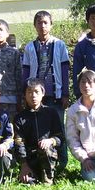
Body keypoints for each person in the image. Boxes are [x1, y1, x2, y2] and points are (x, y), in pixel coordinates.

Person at [22, 10, 70, 170]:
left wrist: (65, 93)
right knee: (38, 128)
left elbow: (64, 70)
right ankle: (40, 162)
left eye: (45, 22)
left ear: (51, 25)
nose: (42, 26)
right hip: (35, 97)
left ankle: (62, 162)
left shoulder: (60, 45)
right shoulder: (29, 47)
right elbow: (25, 72)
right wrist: (24, 94)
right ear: (34, 25)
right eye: (39, 23)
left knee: (58, 128)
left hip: (55, 94)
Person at [14, 78, 64, 185]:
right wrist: (24, 165)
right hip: (30, 158)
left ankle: (48, 179)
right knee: (28, 182)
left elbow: (60, 137)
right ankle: (32, 175)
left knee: (45, 148)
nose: (33, 95)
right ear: (25, 95)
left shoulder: (51, 113)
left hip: (49, 156)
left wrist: (50, 141)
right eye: (29, 92)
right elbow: (19, 143)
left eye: (36, 92)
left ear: (43, 93)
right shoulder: (19, 118)